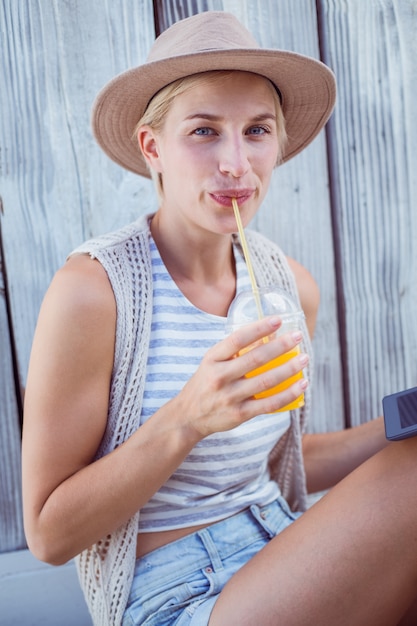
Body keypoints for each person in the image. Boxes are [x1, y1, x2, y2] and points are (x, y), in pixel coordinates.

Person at [21, 10, 417, 626]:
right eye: (204, 131)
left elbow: (276, 461)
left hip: (283, 549)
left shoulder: (287, 287)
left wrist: (401, 422)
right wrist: (187, 417)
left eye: (257, 131)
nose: (236, 163)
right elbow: (47, 534)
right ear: (153, 147)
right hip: (174, 594)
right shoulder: (95, 292)